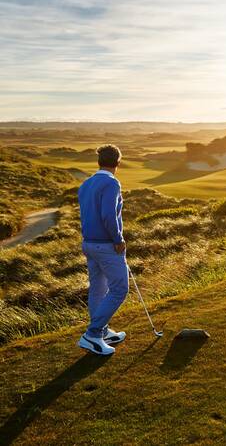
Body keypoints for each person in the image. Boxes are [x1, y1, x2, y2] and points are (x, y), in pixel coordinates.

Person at [77, 145, 128, 355]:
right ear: (118, 162)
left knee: (98, 288)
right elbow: (108, 214)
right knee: (119, 289)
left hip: (89, 244)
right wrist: (118, 239)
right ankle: (93, 333)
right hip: (106, 245)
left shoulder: (86, 183)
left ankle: (103, 331)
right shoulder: (112, 183)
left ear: (99, 161)